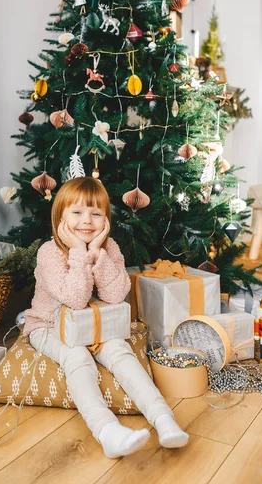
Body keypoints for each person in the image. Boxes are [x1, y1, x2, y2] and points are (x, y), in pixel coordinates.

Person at [24, 177, 188, 458]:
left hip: (94, 323)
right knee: (77, 357)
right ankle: (108, 432)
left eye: (96, 214)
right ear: (60, 217)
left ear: (106, 220)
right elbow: (75, 299)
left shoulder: (109, 248)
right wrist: (78, 251)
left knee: (120, 351)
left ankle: (164, 421)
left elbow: (116, 294)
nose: (86, 221)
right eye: (76, 213)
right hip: (49, 326)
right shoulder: (48, 252)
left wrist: (97, 251)